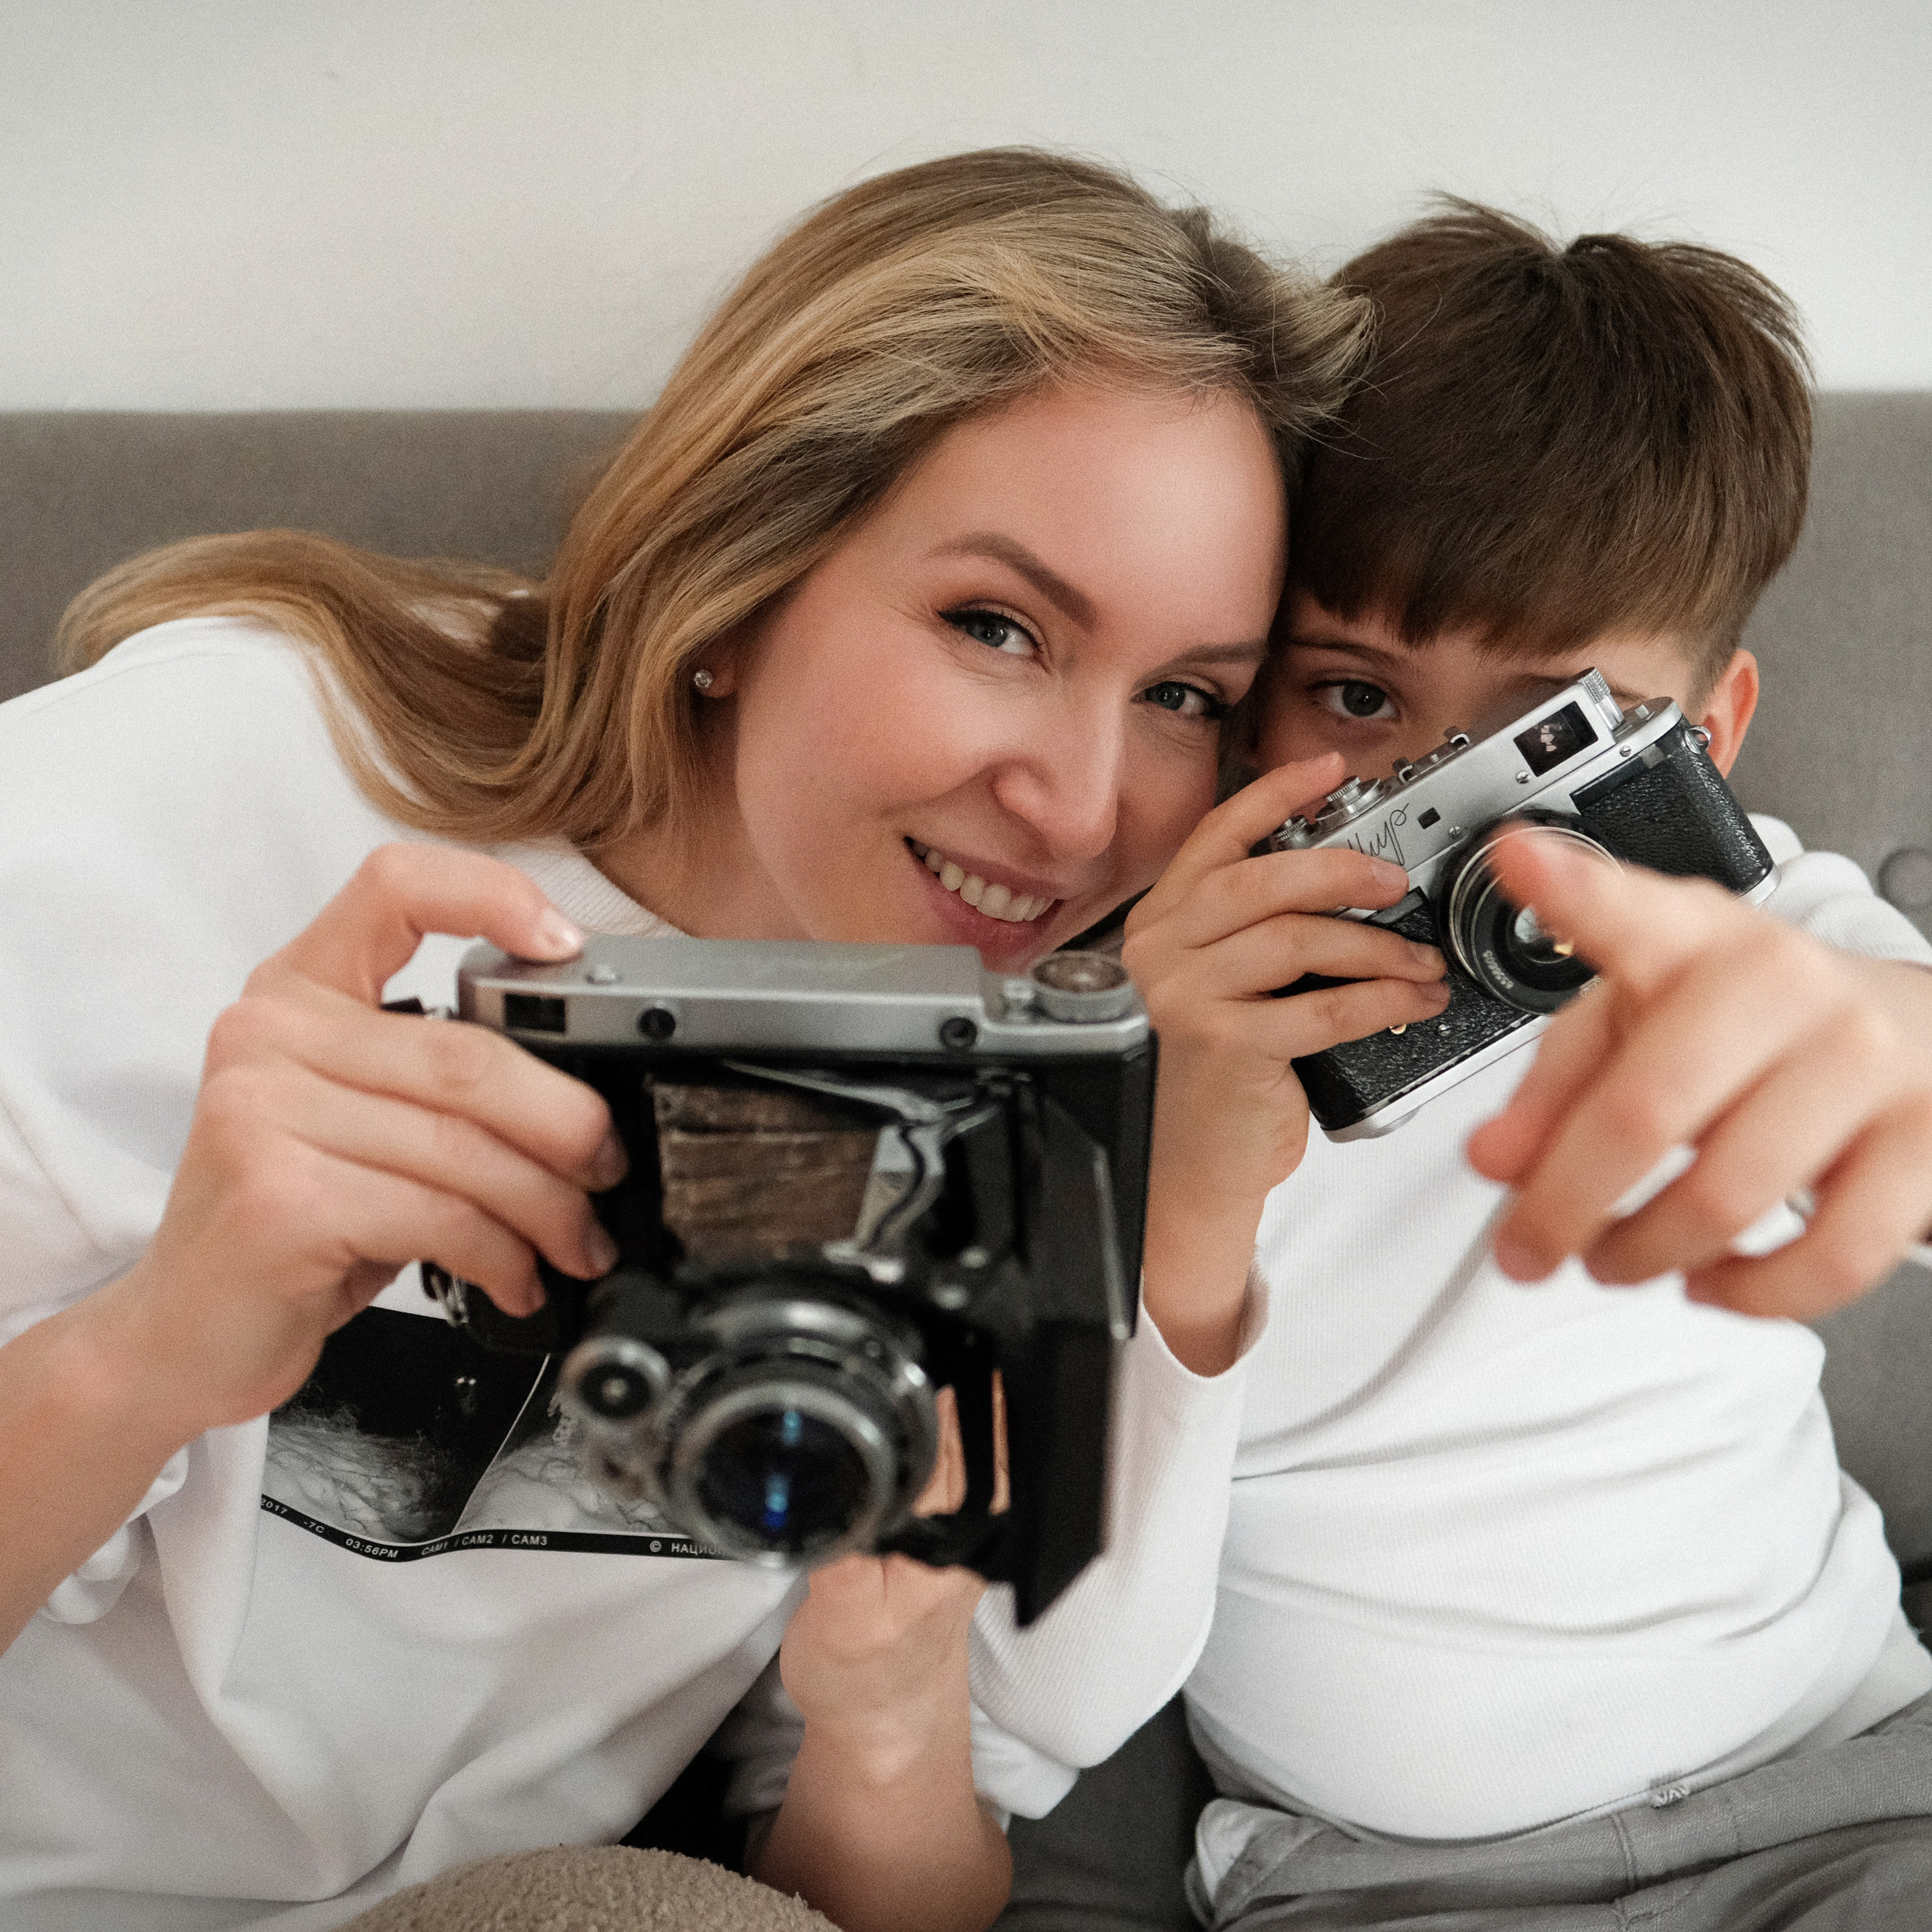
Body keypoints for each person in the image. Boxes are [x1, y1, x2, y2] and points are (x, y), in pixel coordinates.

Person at [0, 149, 1374, 1932]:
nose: (1082, 802)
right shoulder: (189, 791)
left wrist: (883, 1707)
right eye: (994, 625)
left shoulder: (1043, 1089)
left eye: (1182, 694)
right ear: (738, 575)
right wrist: (147, 1353)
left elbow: (909, 1877)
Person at [1010, 205, 1932, 1929]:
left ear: (1702, 741)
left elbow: (1899, 1048)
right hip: (1393, 1876)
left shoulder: (1736, 911)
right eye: (1356, 702)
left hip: (1842, 1781)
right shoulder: (1146, 1016)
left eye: (1539, 734)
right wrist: (1182, 1165)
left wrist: (1868, 1042)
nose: (1443, 814)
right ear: (1243, 700)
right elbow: (1033, 1671)